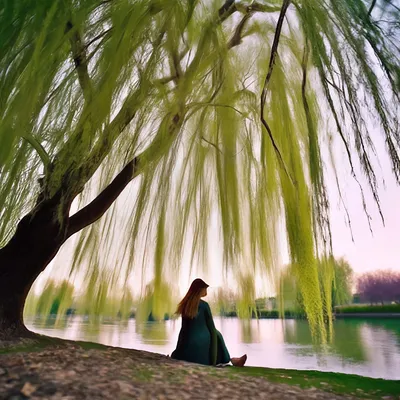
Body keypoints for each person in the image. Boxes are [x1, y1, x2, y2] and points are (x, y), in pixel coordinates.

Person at [171, 278, 247, 367]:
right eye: (205, 288)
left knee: (207, 337)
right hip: (202, 356)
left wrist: (178, 351)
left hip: (186, 353)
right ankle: (231, 360)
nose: (206, 291)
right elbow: (212, 330)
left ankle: (233, 360)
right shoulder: (204, 306)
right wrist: (213, 361)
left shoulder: (185, 305)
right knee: (217, 335)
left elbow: (183, 330)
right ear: (200, 289)